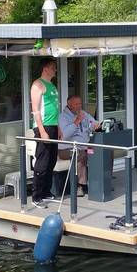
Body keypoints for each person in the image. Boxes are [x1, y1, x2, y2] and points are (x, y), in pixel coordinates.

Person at [30, 58, 60, 208]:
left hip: (53, 125)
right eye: (53, 67)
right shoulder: (38, 85)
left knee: (52, 160)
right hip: (43, 127)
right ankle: (36, 195)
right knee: (42, 161)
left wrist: (59, 127)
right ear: (46, 68)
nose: (55, 70)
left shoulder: (52, 86)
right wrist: (42, 131)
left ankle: (46, 191)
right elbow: (36, 110)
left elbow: (55, 107)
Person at [58, 95, 100, 197]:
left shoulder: (83, 114)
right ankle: (80, 186)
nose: (79, 106)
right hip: (66, 150)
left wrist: (96, 126)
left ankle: (102, 182)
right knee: (80, 154)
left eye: (80, 103)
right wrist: (76, 122)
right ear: (69, 104)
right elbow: (65, 135)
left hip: (85, 147)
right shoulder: (62, 117)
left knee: (102, 152)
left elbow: (92, 123)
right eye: (76, 104)